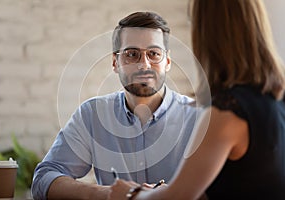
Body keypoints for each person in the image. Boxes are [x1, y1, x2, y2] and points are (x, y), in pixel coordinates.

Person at [108, 0, 285, 199]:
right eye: (132, 54)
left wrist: (130, 194)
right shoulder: (275, 98)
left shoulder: (227, 111)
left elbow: (179, 196)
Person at [31, 12, 198, 200]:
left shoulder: (198, 118)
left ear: (167, 61)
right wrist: (108, 193)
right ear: (115, 62)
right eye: (132, 54)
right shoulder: (92, 115)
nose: (144, 65)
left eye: (154, 54)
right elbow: (44, 178)